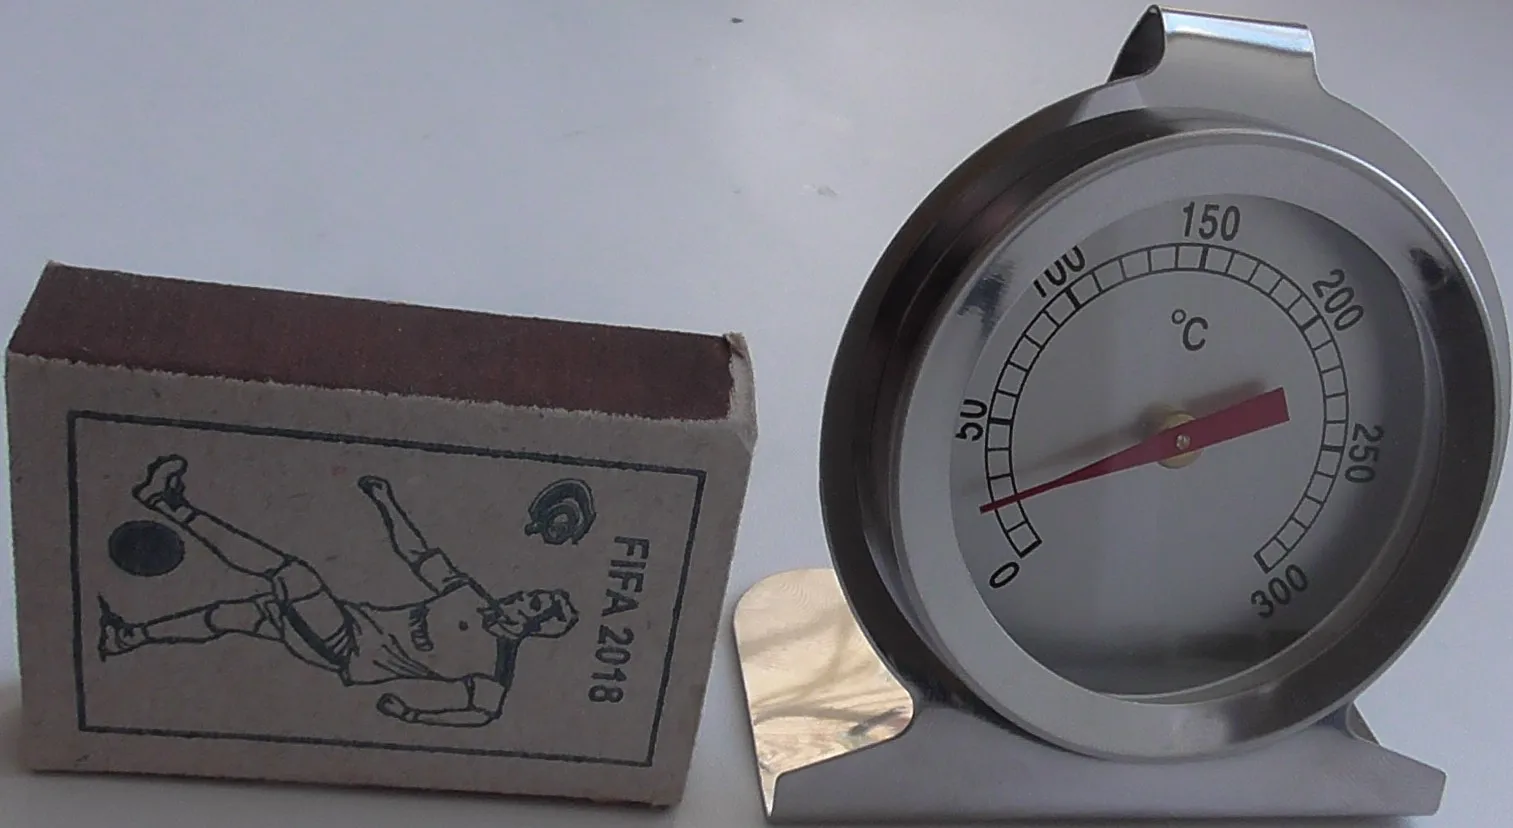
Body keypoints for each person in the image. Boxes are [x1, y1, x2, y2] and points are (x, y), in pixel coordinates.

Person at [97, 455, 579, 728]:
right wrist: (386, 501)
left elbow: (483, 714)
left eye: (534, 603)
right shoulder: (469, 595)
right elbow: (417, 554)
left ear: (534, 626)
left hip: (345, 648)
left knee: (291, 573)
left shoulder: (495, 663)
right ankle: (127, 639)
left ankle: (167, 503)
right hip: (344, 619)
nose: (523, 596)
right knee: (232, 616)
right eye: (532, 592)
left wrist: (414, 715)